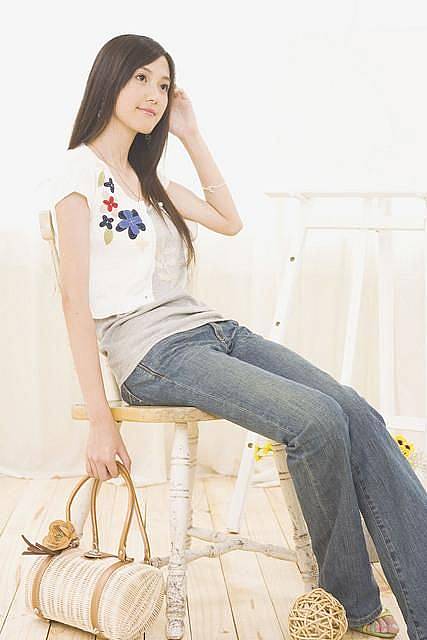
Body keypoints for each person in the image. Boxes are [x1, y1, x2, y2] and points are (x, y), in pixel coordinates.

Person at [41, 33, 427, 640]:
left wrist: (191, 134)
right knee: (316, 419)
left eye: (163, 84)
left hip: (214, 330)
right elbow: (73, 301)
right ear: (108, 79)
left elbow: (230, 220)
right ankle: (352, 603)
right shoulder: (76, 175)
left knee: (354, 409)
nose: (154, 94)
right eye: (141, 78)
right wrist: (99, 418)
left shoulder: (150, 178)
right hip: (151, 353)